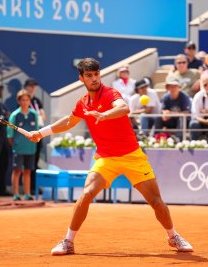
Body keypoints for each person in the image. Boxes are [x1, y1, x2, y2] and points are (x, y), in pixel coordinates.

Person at [28, 58, 193, 255]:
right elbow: (69, 122)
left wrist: (105, 115)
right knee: (87, 193)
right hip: (106, 158)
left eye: (96, 74)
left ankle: (173, 236)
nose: (94, 78)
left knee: (156, 201)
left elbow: (123, 108)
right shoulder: (83, 103)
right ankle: (68, 241)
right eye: (89, 75)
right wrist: (41, 132)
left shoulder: (110, 94)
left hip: (132, 156)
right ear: (82, 79)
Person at [8, 90, 38, 201]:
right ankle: (16, 194)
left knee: (28, 171)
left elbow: (37, 131)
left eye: (27, 100)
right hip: (18, 149)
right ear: (19, 101)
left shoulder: (34, 114)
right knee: (17, 171)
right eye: (23, 100)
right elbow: (10, 135)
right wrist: (16, 146)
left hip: (31, 149)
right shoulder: (14, 115)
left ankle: (27, 194)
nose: (25, 102)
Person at [24, 78, 46, 193]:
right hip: (28, 134)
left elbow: (43, 116)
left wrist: (39, 116)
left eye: (34, 86)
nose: (33, 88)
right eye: (31, 86)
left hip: (39, 132)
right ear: (26, 86)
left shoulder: (36, 101)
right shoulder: (23, 100)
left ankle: (33, 187)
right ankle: (28, 188)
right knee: (28, 162)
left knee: (35, 161)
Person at [0, 83, 11, 196]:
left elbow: (7, 117)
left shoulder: (1, 104)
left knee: (4, 165)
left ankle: (2, 189)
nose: (0, 92)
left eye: (1, 90)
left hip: (4, 140)